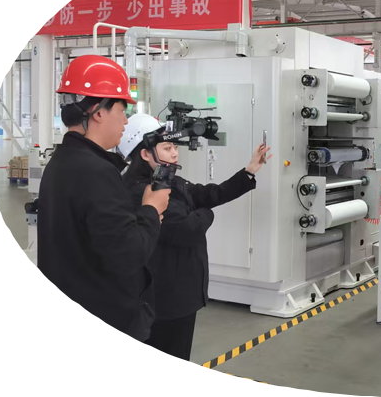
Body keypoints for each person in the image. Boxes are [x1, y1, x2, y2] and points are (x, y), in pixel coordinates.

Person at [38, 55, 171, 396]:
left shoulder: (61, 164)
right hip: (104, 348)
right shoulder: (95, 172)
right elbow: (129, 254)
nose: (126, 120)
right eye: (122, 109)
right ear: (97, 111)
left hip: (68, 336)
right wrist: (151, 210)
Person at [118, 113, 271, 396]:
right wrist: (206, 214)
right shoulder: (142, 191)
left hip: (177, 297)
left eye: (174, 147)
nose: (175, 153)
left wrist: (249, 171)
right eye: (167, 148)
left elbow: (208, 194)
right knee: (164, 375)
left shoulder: (167, 181)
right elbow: (187, 229)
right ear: (144, 154)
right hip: (167, 301)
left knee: (165, 371)